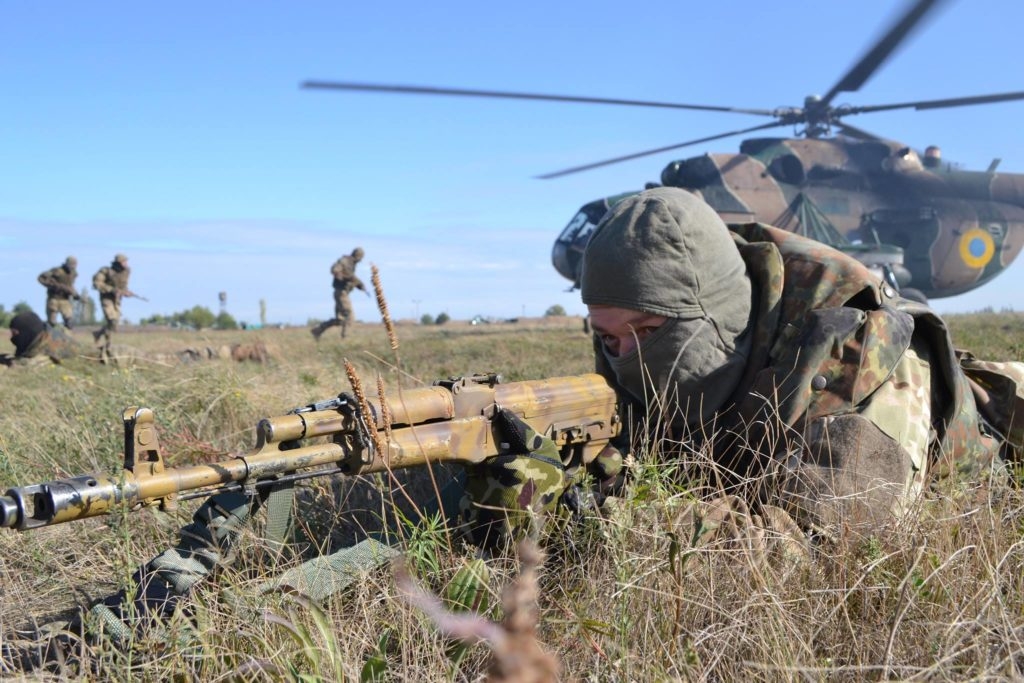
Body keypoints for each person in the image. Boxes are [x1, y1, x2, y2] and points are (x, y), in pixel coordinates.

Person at [580, 187, 1008, 538]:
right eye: (608, 337)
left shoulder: (854, 355)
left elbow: (821, 547)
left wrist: (600, 521)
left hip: (1000, 421)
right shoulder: (635, 345)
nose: (626, 356)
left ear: (717, 315)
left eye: (649, 332)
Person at [311, 247, 366, 340]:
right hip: (341, 293)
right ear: (358, 256)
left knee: (340, 320)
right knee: (349, 316)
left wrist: (359, 285)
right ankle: (346, 339)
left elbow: (350, 277)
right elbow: (335, 270)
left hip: (341, 293)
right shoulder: (345, 261)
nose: (360, 260)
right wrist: (343, 277)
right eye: (361, 258)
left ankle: (317, 330)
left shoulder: (351, 264)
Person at [92, 253, 133, 359]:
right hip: (107, 298)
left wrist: (126, 292)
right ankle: (108, 344)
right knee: (112, 319)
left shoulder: (127, 272)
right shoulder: (106, 271)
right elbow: (97, 284)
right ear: (118, 263)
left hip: (117, 300)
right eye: (124, 262)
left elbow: (123, 285)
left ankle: (98, 333)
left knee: (115, 324)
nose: (126, 264)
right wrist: (112, 290)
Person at [37, 256, 81, 329]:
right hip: (54, 299)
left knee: (69, 322)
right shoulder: (57, 271)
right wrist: (53, 285)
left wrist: (75, 294)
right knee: (51, 323)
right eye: (71, 265)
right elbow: (41, 278)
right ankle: (45, 335)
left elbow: (70, 285)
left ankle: (66, 336)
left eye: (74, 265)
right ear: (66, 264)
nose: (72, 267)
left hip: (65, 300)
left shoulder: (74, 274)